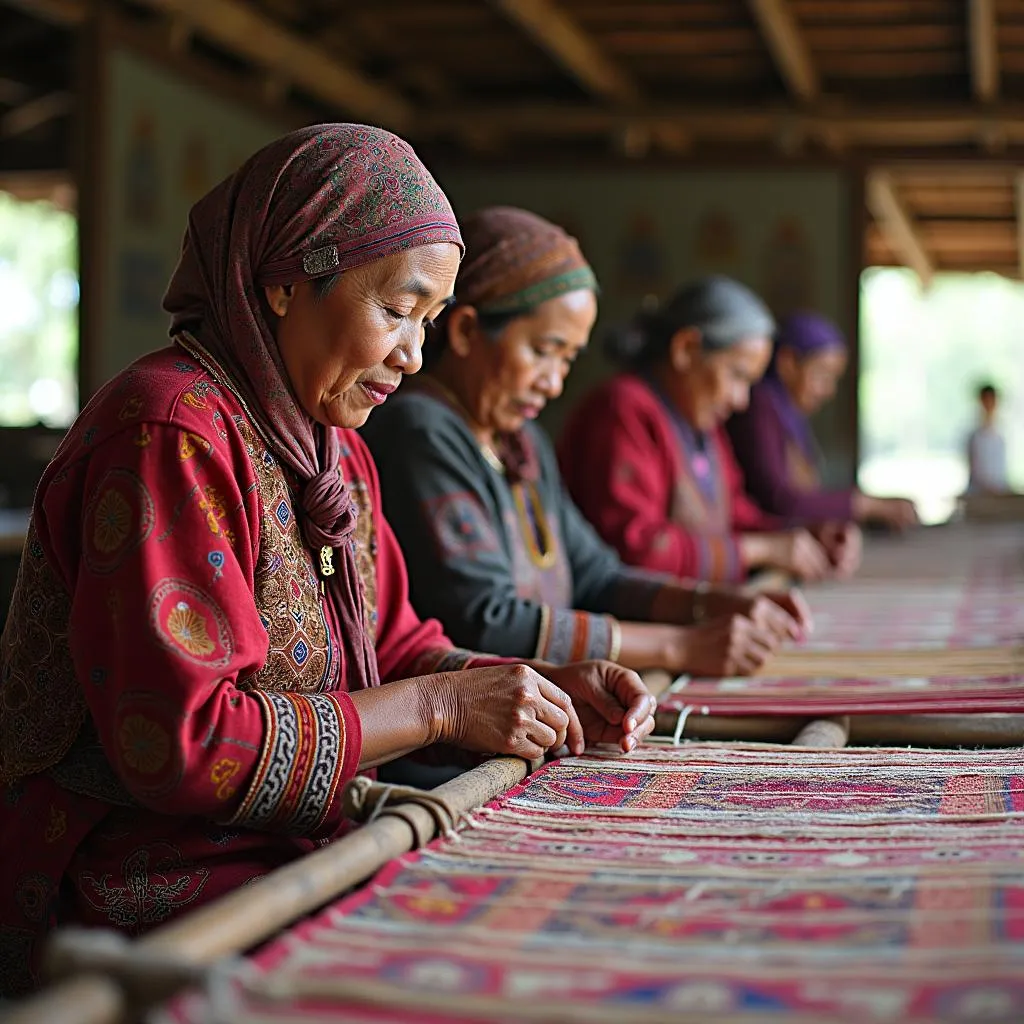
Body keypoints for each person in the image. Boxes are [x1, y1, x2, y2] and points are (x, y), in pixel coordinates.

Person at [0, 128, 655, 996]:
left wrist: (534, 683)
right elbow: (186, 744)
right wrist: (444, 706)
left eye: (426, 322)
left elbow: (400, 646)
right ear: (281, 279)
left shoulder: (332, 451)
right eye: (396, 310)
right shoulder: (168, 432)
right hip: (147, 900)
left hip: (306, 853)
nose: (413, 355)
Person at [363, 209, 811, 683]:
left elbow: (598, 575)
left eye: (568, 359)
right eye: (541, 351)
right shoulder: (421, 430)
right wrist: (680, 646)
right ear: (467, 332)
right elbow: (486, 618)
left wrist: (713, 602)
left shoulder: (522, 442)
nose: (554, 384)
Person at [559, 276, 860, 585]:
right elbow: (637, 550)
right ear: (686, 350)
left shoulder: (699, 423)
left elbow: (736, 513)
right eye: (737, 376)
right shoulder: (622, 408)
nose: (741, 400)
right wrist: (761, 550)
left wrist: (803, 535)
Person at [727, 311, 919, 530]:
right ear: (788, 363)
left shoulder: (789, 416)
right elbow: (779, 501)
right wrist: (865, 505)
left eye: (833, 378)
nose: (828, 391)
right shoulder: (758, 407)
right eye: (822, 374)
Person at [966, 383, 1010, 495]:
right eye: (986, 400)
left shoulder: (1001, 436)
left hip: (999, 492)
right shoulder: (974, 437)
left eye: (991, 401)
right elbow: (975, 470)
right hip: (978, 493)